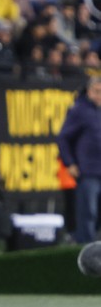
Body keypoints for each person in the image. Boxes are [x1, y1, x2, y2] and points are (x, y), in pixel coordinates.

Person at [57, 77, 101, 243]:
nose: (99, 96)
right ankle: (84, 250)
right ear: (89, 91)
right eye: (96, 91)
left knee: (97, 215)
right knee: (88, 212)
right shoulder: (79, 110)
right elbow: (63, 138)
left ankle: (93, 247)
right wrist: (70, 163)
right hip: (88, 171)